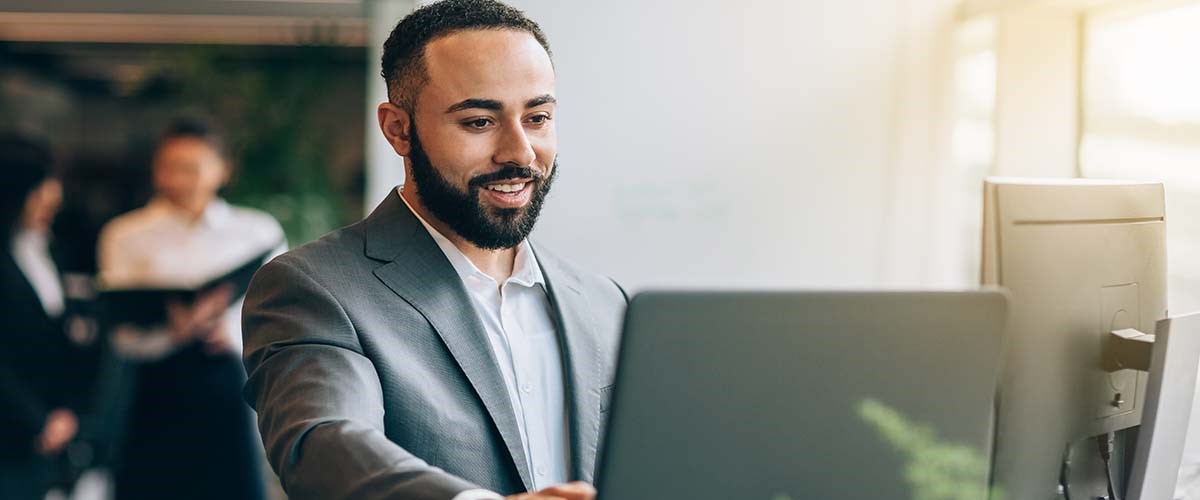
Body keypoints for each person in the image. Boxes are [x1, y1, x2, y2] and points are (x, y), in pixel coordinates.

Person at [241, 1, 627, 499]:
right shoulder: (314, 288)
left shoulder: (603, 302)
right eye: (479, 122)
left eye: (537, 117)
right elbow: (327, 444)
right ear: (398, 129)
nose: (520, 152)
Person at [97, 118, 284, 499]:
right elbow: (118, 327)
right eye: (169, 168)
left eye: (192, 168)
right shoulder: (124, 233)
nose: (179, 179)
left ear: (223, 168)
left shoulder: (258, 231)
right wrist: (173, 329)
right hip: (155, 385)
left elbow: (280, 318)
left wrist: (229, 332)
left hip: (229, 380)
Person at [0, 134, 78, 500]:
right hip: (13, 432)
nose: (54, 197)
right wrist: (36, 421)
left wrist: (65, 412)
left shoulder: (43, 246)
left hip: (47, 434)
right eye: (40, 188)